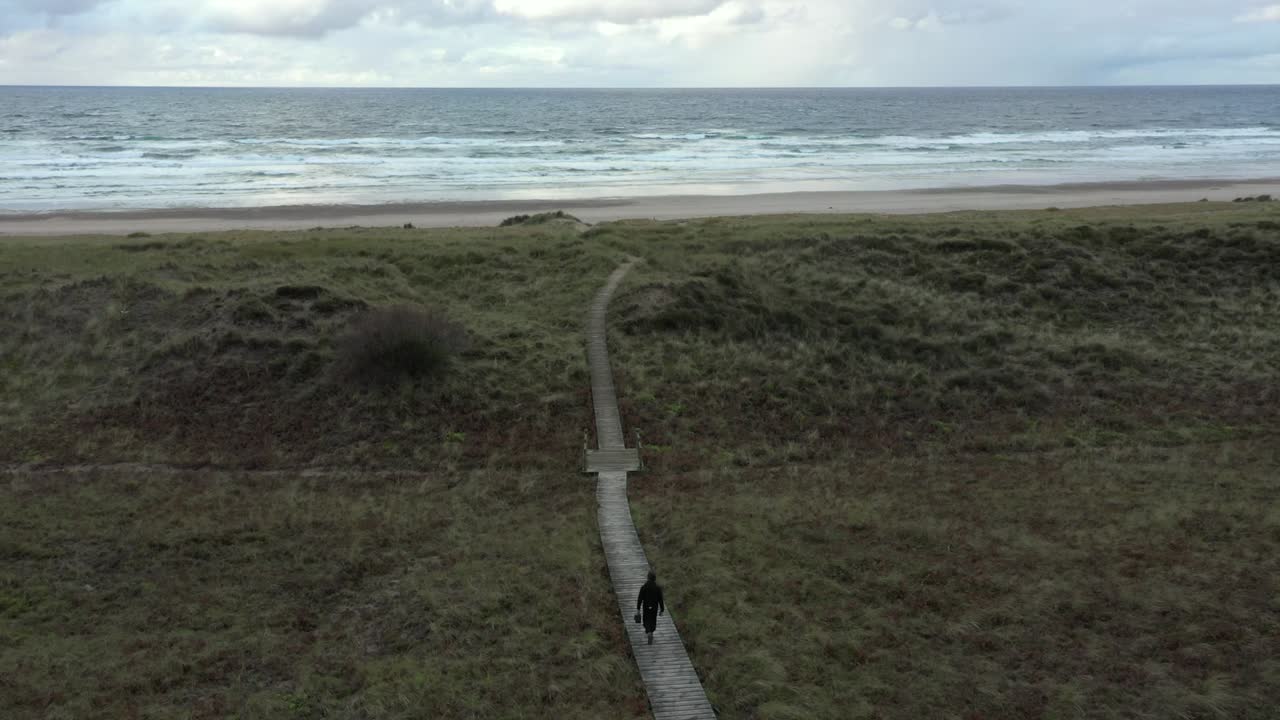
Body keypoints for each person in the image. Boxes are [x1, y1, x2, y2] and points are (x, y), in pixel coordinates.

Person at [636, 570, 665, 645]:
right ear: (655, 578)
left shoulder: (644, 587)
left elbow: (640, 599)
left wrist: (638, 609)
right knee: (653, 620)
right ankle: (651, 633)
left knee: (646, 620)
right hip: (654, 608)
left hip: (646, 607)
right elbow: (660, 599)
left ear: (648, 577)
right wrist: (662, 610)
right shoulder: (657, 588)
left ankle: (648, 632)